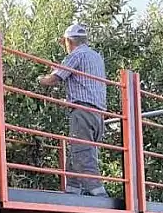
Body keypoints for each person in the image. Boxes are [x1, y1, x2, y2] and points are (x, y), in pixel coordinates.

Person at [37, 23, 109, 197]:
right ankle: (72, 192)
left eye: (65, 43)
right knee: (77, 151)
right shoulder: (95, 56)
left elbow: (54, 79)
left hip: (82, 110)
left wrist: (39, 79)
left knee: (82, 154)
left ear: (70, 41)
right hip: (98, 114)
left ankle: (100, 196)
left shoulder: (76, 55)